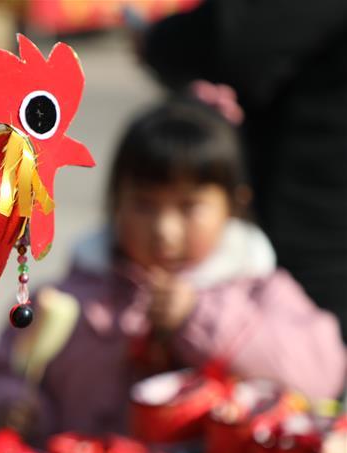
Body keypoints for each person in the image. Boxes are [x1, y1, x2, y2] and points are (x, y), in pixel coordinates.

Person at [0, 101, 346, 444]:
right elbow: (3, 369)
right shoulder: (74, 293)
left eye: (188, 207)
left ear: (234, 205)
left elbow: (321, 376)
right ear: (115, 202)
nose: (165, 230)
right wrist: (12, 406)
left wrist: (199, 319)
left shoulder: (258, 291)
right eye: (145, 205)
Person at [140, 0, 347, 341]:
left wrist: (157, 41)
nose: (164, 230)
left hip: (308, 224)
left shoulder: (264, 275)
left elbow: (234, 40)